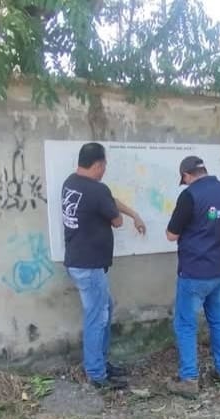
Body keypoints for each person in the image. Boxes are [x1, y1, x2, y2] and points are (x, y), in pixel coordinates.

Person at [62, 142, 147, 390]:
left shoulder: (71, 182)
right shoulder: (97, 190)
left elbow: (108, 200)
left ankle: (100, 363)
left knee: (104, 309)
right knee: (97, 318)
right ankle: (97, 374)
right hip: (89, 266)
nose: (105, 170)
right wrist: (124, 217)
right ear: (98, 165)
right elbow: (116, 221)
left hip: (79, 262)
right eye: (105, 166)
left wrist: (134, 214)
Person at [165, 155, 220, 398]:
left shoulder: (189, 195)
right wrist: (215, 227)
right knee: (218, 320)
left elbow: (171, 235)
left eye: (184, 179)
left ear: (187, 175)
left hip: (193, 272)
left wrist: (199, 228)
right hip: (219, 271)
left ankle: (189, 379)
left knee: (185, 324)